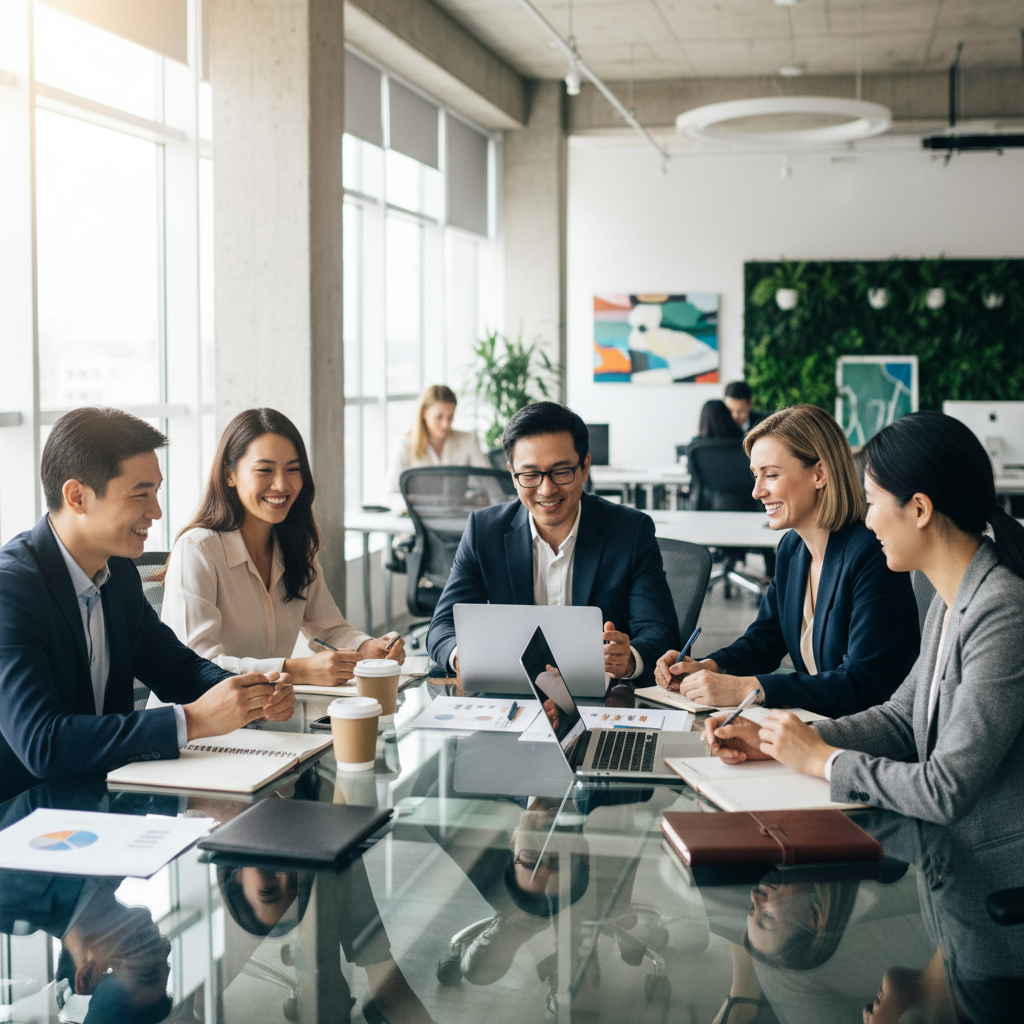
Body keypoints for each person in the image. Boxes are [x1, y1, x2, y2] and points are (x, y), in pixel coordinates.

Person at [702, 411, 1024, 835]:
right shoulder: (947, 605)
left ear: (920, 509)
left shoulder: (1000, 610)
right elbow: (898, 719)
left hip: (978, 874)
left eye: (872, 502)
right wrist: (778, 743)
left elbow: (945, 789)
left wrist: (822, 759)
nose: (867, 520)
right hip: (932, 845)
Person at [0, 408, 294, 803]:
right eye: (140, 494)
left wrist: (246, 694)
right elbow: (43, 743)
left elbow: (176, 668)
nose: (155, 511)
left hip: (108, 800)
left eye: (156, 491)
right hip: (25, 819)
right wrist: (194, 720)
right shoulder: (11, 590)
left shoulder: (117, 572)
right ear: (77, 496)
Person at [655, 404, 920, 716]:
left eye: (771, 475)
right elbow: (764, 641)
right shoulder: (792, 548)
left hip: (867, 742)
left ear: (819, 474)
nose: (756, 491)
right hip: (816, 724)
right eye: (756, 475)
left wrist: (748, 689)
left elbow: (860, 685)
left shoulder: (872, 555)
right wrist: (708, 666)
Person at [426, 401, 678, 684]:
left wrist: (630, 657)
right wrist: (461, 655)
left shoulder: (630, 531)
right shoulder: (484, 531)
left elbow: (662, 632)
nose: (546, 490)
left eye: (561, 472)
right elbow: (442, 627)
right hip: (513, 697)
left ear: (584, 467)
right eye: (530, 474)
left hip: (605, 701)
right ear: (513, 474)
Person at [161, 408, 404, 685]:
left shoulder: (293, 546)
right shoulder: (198, 550)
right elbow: (198, 667)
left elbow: (329, 629)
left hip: (266, 715)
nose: (281, 484)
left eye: (293, 469)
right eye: (265, 470)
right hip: (197, 722)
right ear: (230, 475)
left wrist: (366, 648)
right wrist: (296, 669)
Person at [384, 384, 490, 501]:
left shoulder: (467, 440)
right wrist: (413, 502)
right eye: (439, 417)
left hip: (457, 516)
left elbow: (491, 483)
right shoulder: (405, 445)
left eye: (450, 417)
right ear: (424, 413)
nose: (446, 424)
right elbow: (391, 494)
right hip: (418, 517)